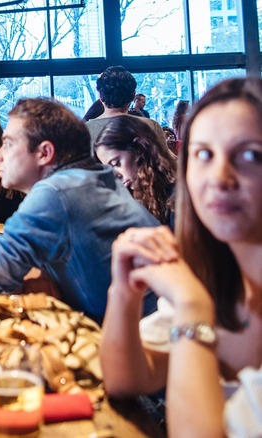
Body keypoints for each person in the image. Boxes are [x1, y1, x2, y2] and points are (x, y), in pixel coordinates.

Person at [100, 77, 262, 436]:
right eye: (204, 154)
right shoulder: (215, 272)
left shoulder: (196, 292)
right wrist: (125, 291)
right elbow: (125, 378)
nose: (219, 177)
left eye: (249, 155)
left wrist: (191, 306)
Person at [0, 98, 160, 323]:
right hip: (156, 333)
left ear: (44, 153)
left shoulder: (56, 193)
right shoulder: (96, 178)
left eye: (9, 143)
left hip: (144, 348)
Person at [94, 115, 176, 226]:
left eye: (115, 163)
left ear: (139, 149)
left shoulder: (178, 196)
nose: (115, 175)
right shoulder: (132, 198)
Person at [85, 66, 167, 149]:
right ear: (133, 96)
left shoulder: (83, 131)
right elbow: (165, 160)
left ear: (100, 96)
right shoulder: (151, 126)